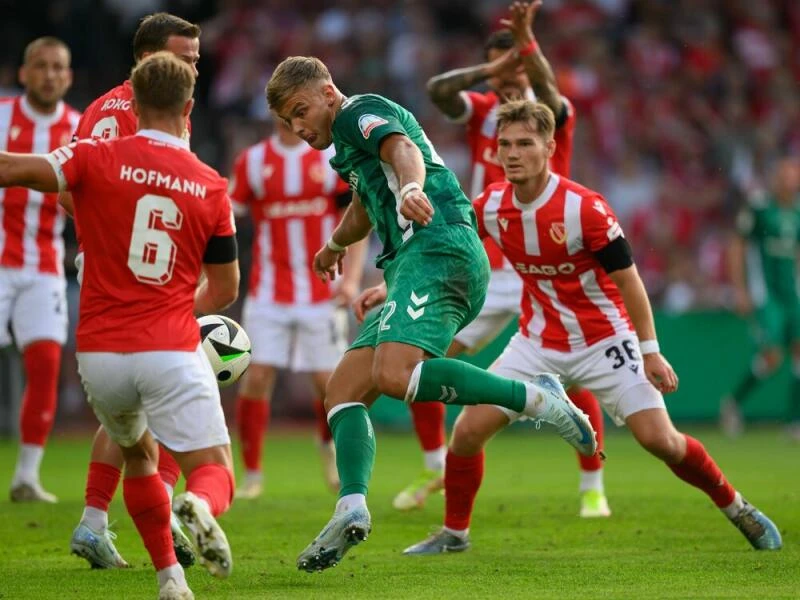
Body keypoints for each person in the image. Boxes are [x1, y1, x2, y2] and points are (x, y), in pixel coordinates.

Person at [391, 99, 782, 555]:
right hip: (535, 343)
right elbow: (448, 250)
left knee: (662, 441)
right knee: (467, 432)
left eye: (524, 144)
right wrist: (394, 286)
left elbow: (629, 281)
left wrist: (650, 349)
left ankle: (739, 509)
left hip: (605, 341)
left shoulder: (585, 209)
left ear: (549, 147)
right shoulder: (492, 204)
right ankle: (454, 534)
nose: (511, 153)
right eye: (505, 145)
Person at [266, 55, 599, 573]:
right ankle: (350, 508)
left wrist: (413, 187)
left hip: (439, 246)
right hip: (409, 263)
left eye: (300, 111)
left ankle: (537, 396)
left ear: (328, 91)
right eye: (288, 122)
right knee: (342, 391)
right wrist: (335, 245)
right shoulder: (349, 149)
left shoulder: (358, 113)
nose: (299, 127)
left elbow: (402, 152)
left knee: (394, 375)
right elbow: (366, 204)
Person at [0, 51, 239, 600]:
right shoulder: (209, 185)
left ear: (131, 98)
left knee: (137, 454)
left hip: (100, 358)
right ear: (189, 106)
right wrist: (182, 306)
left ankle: (170, 579)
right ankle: (198, 506)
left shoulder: (90, 156)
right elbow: (225, 290)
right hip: (171, 348)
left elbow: (13, 169)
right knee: (213, 467)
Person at [394, 0, 609, 518]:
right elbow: (438, 92)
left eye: (515, 67)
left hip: (548, 262)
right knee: (422, 356)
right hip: (486, 260)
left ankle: (593, 486)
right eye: (499, 71)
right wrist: (491, 72)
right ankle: (433, 464)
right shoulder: (484, 111)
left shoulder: (549, 113)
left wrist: (526, 50)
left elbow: (547, 87)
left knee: (575, 379)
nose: (508, 81)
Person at [65, 12, 202, 570]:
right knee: (169, 388)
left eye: (197, 57)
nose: (195, 66)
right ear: (147, 57)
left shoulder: (152, 107)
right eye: (184, 57)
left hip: (140, 270)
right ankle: (156, 509)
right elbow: (74, 186)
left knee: (136, 402)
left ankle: (95, 522)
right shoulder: (125, 111)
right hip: (131, 274)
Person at [229, 118, 366, 499]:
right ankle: (252, 475)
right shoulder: (252, 162)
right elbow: (225, 217)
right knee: (255, 377)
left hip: (322, 290)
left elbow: (357, 218)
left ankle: (328, 449)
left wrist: (352, 279)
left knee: (329, 385)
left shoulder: (332, 159)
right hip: (268, 291)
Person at [1, 37, 80, 503]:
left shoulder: (77, 127)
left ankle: (26, 476)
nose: (49, 74)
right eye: (41, 66)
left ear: (68, 78)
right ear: (23, 73)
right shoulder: (3, 116)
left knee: (47, 364)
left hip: (43, 264)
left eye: (58, 67)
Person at [721, 158, 800, 439]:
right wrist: (740, 288)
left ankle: (794, 420)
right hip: (766, 294)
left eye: (793, 175)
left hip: (792, 293)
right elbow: (737, 244)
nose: (788, 180)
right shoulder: (759, 208)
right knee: (772, 355)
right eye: (783, 174)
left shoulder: (797, 212)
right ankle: (733, 403)